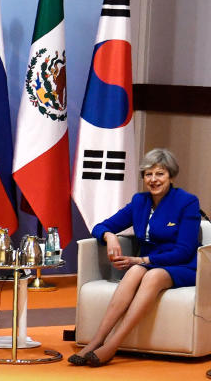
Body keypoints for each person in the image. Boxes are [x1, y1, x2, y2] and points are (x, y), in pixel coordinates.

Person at [69, 148, 201, 367]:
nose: (153, 179)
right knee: (135, 272)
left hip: (182, 265)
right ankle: (96, 341)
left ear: (170, 175)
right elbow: (101, 226)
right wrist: (110, 236)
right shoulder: (139, 202)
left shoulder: (187, 202)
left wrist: (142, 261)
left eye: (159, 174)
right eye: (148, 174)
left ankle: (113, 345)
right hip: (148, 264)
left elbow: (185, 250)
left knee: (150, 274)